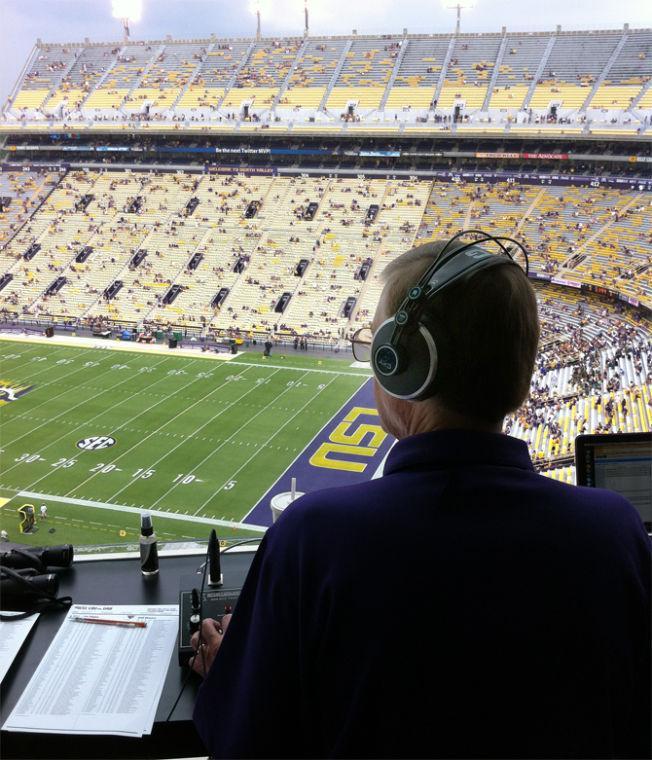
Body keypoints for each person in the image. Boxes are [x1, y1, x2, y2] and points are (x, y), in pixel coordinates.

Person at [191, 238, 651, 759]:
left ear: (399, 367)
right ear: (521, 378)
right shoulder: (614, 532)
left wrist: (228, 669)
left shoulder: (314, 535)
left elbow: (244, 742)